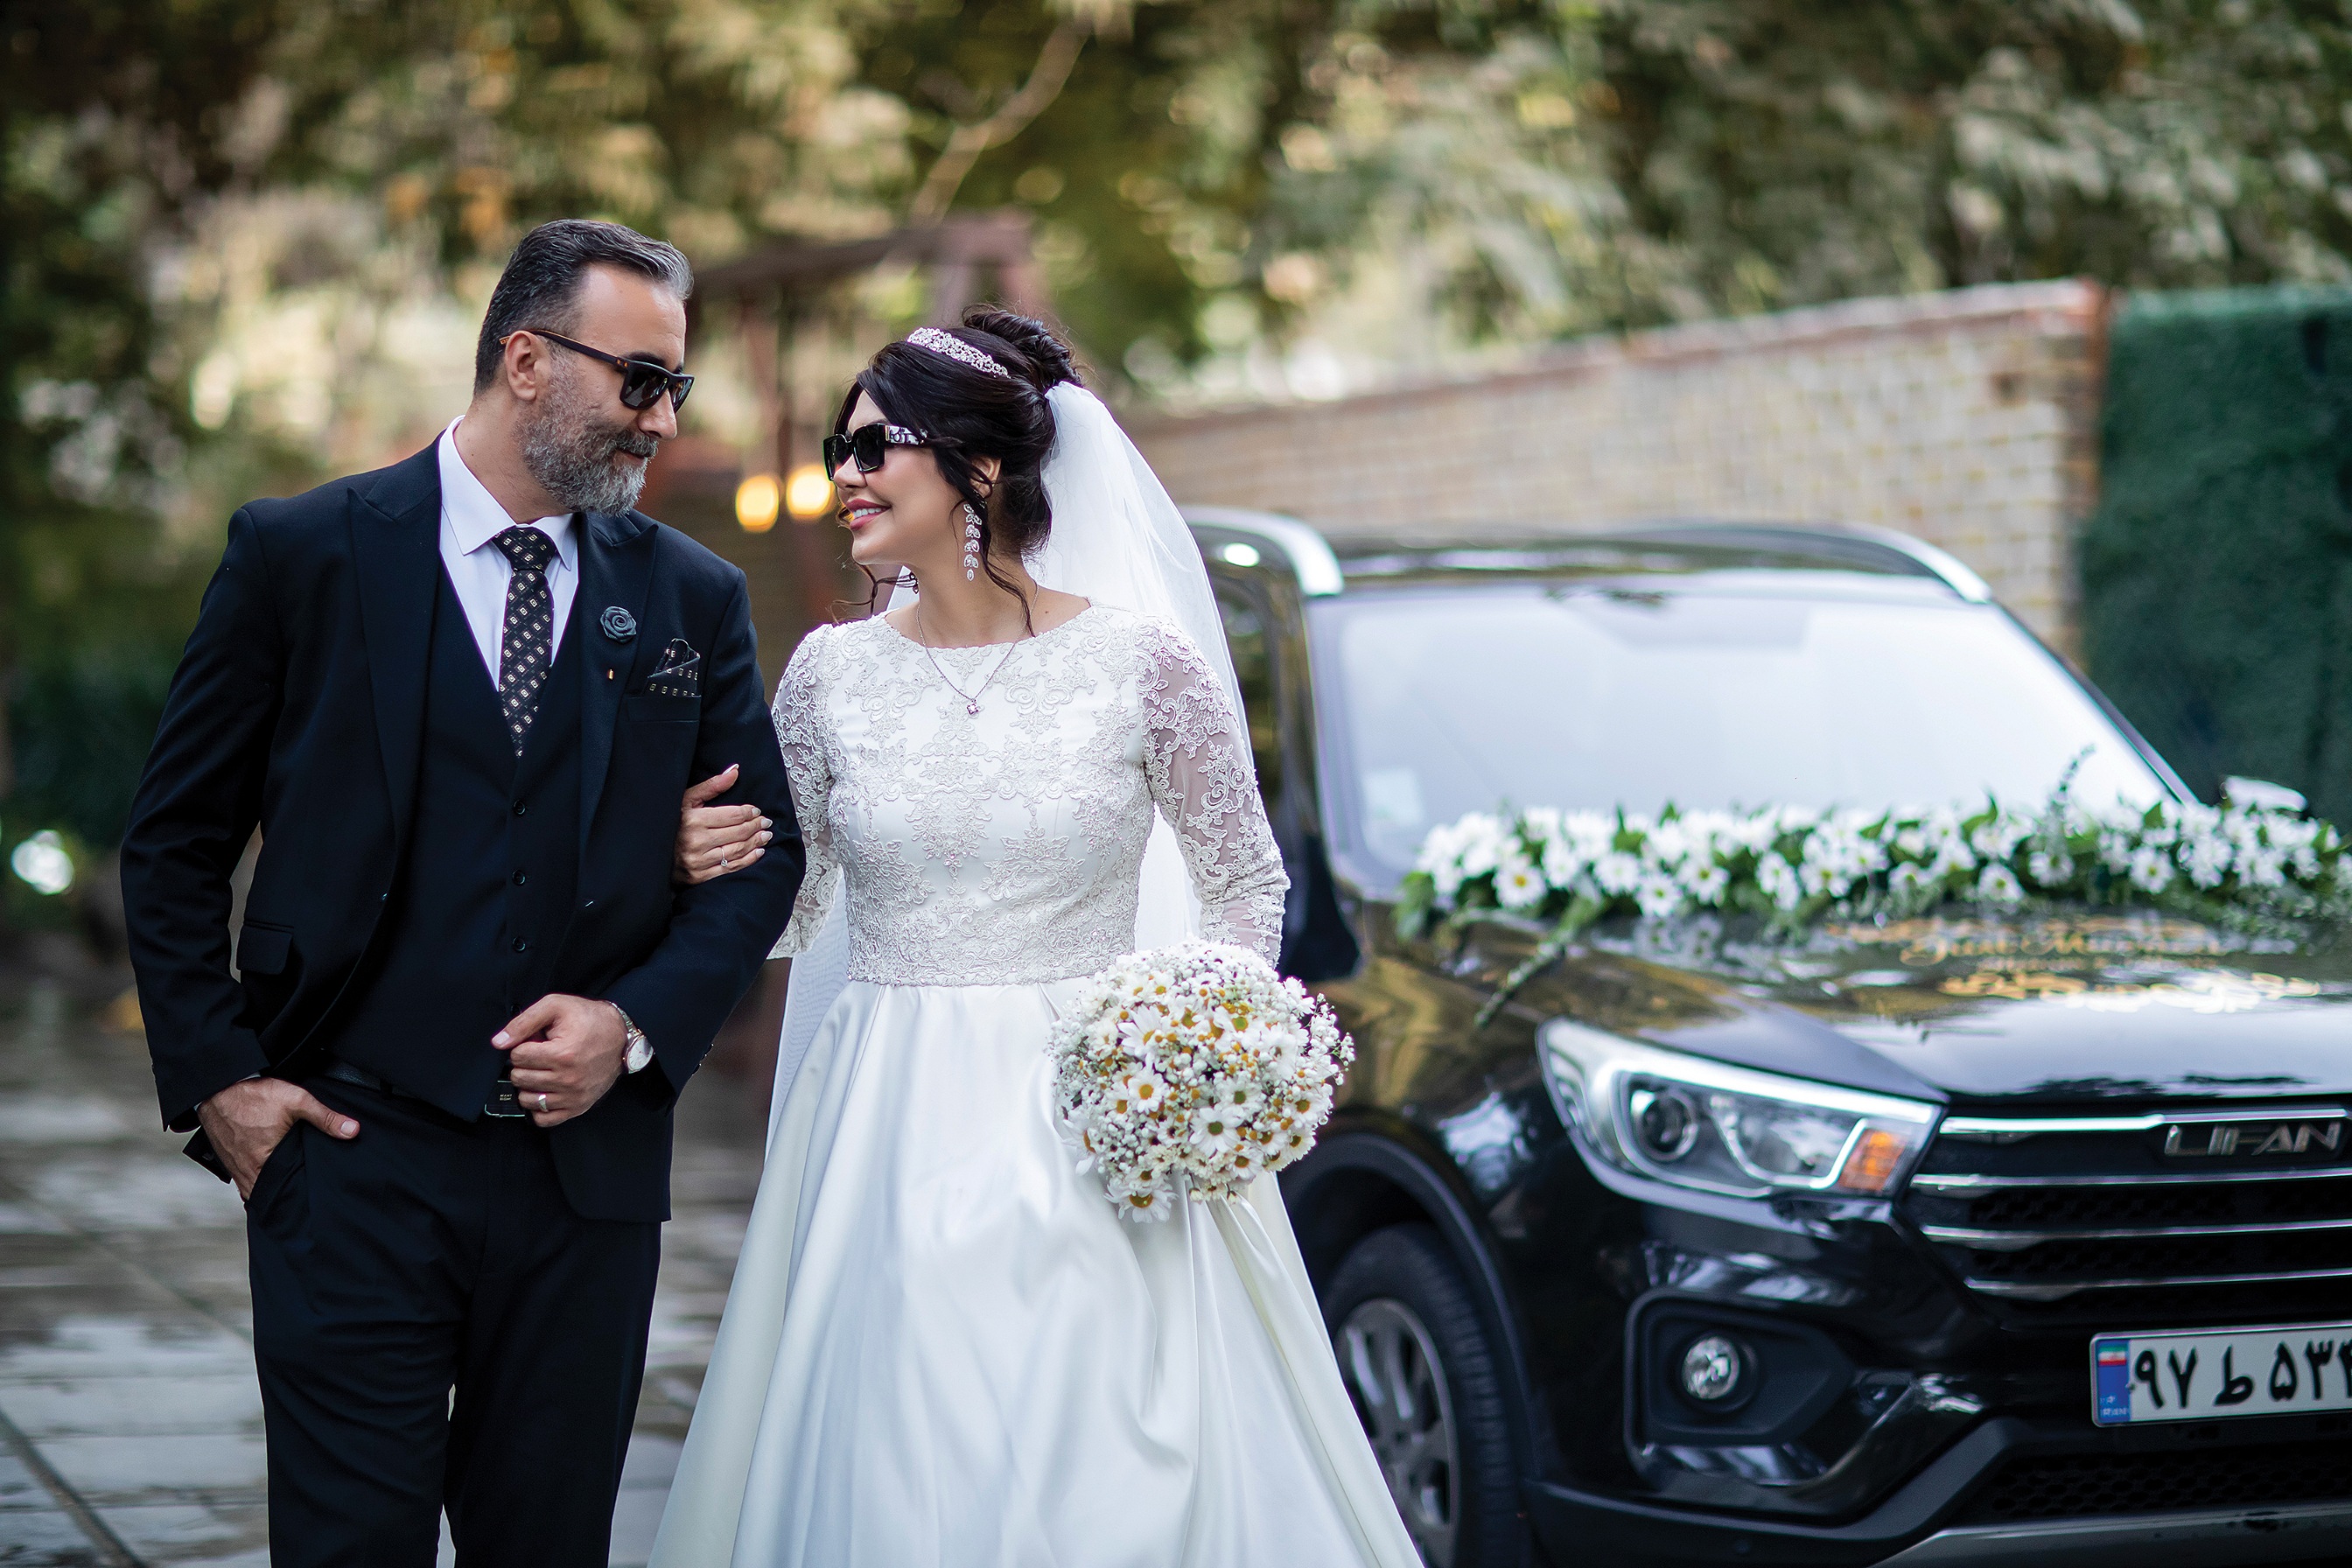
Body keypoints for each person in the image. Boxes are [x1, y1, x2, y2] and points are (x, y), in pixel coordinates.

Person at [649, 310, 1420, 1566]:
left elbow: (1243, 886)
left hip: (1094, 1121)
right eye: (841, 450)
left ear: (980, 467)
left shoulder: (1141, 666)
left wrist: (1192, 1050)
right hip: (887, 1117)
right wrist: (693, 859)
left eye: (873, 447)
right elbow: (793, 906)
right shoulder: (831, 677)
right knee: (901, 1451)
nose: (845, 477)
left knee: (1099, 1455)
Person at [118, 219, 803, 1567]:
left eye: (675, 386)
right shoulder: (304, 553)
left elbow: (764, 853)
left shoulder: (692, 596)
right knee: (347, 1547)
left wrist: (635, 1025)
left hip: (585, 1189)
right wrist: (223, 1083)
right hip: (349, 1155)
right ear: (527, 360)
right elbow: (174, 838)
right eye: (641, 381)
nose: (663, 420)